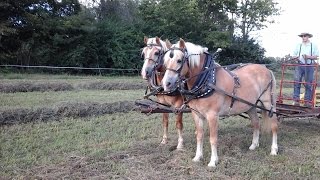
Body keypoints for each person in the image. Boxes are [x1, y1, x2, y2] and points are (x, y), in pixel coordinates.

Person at [291, 32, 319, 107]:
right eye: (302, 36)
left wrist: (308, 57)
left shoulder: (313, 45)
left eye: (305, 36)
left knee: (308, 83)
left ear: (308, 37)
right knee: (297, 82)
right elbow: (293, 55)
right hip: (299, 65)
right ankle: (296, 100)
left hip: (309, 66)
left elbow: (316, 56)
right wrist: (295, 57)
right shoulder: (298, 45)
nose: (303, 37)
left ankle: (307, 101)